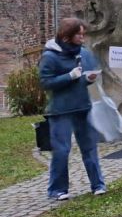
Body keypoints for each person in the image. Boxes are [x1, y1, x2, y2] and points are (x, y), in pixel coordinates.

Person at [38, 17, 106, 200]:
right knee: (61, 151)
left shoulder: (84, 53)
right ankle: (57, 190)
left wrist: (89, 78)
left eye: (83, 34)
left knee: (89, 148)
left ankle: (98, 185)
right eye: (79, 35)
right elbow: (45, 82)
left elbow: (86, 75)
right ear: (66, 37)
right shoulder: (50, 56)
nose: (82, 38)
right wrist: (69, 76)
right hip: (60, 111)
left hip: (82, 107)